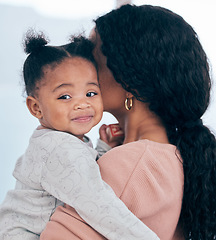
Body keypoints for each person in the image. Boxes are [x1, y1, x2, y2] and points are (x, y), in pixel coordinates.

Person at [40, 4, 216, 240]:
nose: (81, 66)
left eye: (92, 53)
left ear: (128, 78)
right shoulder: (167, 158)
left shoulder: (135, 164)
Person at [0, 30, 159, 240]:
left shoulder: (56, 142)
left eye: (91, 93)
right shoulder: (59, 148)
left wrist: (103, 147)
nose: (82, 103)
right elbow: (100, 206)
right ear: (36, 108)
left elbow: (82, 176)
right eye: (65, 96)